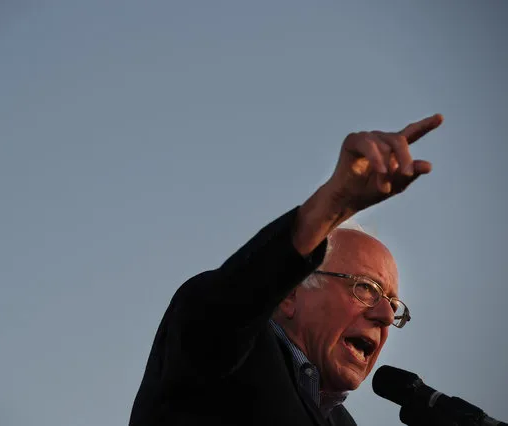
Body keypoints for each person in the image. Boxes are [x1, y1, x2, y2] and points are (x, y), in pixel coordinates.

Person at [128, 114, 444, 426]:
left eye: (392, 305)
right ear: (290, 294)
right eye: (366, 288)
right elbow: (229, 304)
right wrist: (332, 203)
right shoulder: (227, 345)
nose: (386, 316)